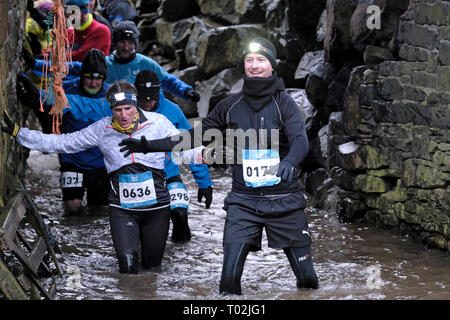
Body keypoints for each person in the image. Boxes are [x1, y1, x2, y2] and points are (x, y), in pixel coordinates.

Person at [118, 38, 319, 294]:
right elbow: (193, 137)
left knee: (308, 282)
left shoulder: (286, 104)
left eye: (261, 60)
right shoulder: (229, 105)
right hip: (243, 203)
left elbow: (301, 141)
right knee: (228, 282)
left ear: (272, 66)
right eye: (249, 60)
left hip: (284, 200)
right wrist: (149, 145)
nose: (254, 65)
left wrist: (290, 161)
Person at [2, 81, 204, 274]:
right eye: (118, 110)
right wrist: (19, 133)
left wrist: (210, 155)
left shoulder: (159, 123)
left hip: (156, 209)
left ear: (135, 105)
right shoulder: (102, 129)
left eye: (128, 109)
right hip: (123, 210)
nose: (123, 115)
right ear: (111, 109)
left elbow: (184, 149)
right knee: (127, 268)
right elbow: (62, 143)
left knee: (152, 270)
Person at [17, 49, 111, 216]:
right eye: (89, 78)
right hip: (72, 158)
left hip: (101, 162)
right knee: (72, 208)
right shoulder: (67, 88)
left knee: (101, 212)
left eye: (99, 79)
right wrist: (35, 97)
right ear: (82, 75)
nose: (93, 83)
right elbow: (48, 97)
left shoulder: (111, 96)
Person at [134, 70, 213, 242]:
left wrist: (204, 183)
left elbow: (191, 145)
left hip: (169, 174)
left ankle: (182, 260)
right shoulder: (125, 110)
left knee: (179, 213)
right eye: (143, 98)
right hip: (138, 177)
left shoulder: (173, 110)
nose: (147, 102)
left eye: (151, 98)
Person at [106, 21, 201, 104]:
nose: (126, 48)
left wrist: (186, 90)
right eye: (122, 42)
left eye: (130, 43)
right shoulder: (106, 64)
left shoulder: (145, 63)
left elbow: (167, 80)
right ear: (115, 43)